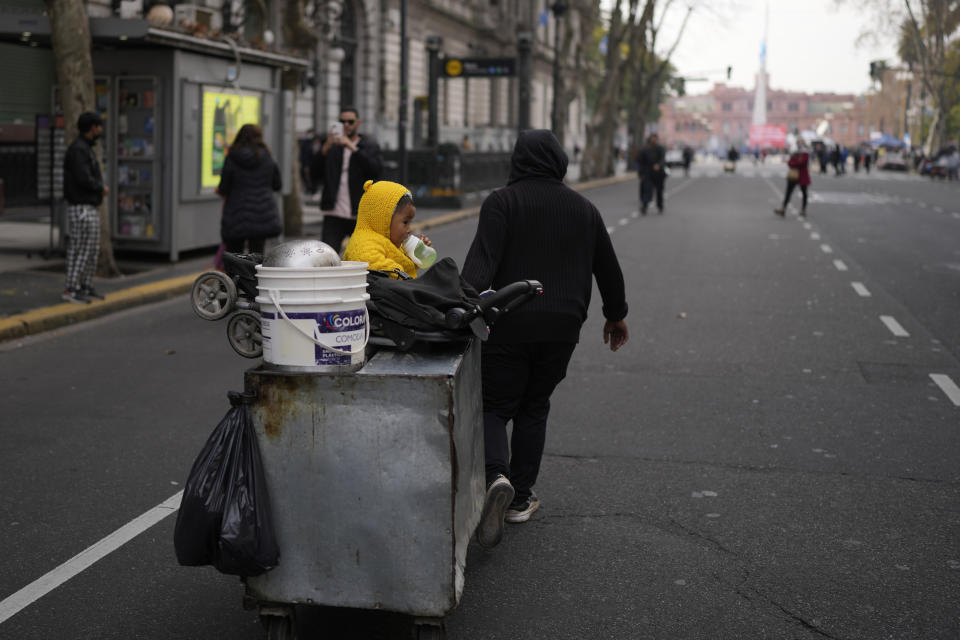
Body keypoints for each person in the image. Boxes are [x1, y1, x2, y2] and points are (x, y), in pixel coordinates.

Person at [462, 129, 629, 549]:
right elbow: (608, 268)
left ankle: (495, 476)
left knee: (496, 404)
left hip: (509, 320)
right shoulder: (584, 209)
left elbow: (480, 268)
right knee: (535, 405)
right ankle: (520, 498)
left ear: (517, 160)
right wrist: (616, 316)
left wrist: (461, 307)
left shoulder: (502, 202)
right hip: (562, 325)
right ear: (559, 161)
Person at [316, 107, 383, 254]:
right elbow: (315, 174)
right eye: (342, 121)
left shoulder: (368, 146)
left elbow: (375, 170)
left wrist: (352, 148)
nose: (346, 125)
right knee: (328, 256)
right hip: (334, 212)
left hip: (358, 213)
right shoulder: (332, 147)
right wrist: (325, 148)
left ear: (358, 123)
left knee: (360, 256)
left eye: (350, 122)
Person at [62, 111, 108, 304]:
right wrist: (100, 187)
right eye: (98, 126)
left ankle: (85, 285)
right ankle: (72, 288)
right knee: (80, 248)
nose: (100, 129)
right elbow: (82, 177)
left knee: (91, 248)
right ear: (92, 128)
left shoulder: (85, 148)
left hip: (88, 206)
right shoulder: (79, 150)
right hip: (81, 206)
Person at [343, 180, 432, 279]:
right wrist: (403, 275)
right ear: (382, 219)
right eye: (405, 222)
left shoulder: (389, 241)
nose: (409, 229)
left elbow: (404, 265)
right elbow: (380, 268)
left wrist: (415, 255)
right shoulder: (363, 245)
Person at [216, 123, 282, 254]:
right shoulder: (267, 157)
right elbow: (277, 184)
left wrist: (220, 190)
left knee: (235, 255)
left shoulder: (232, 156)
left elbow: (224, 187)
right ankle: (253, 274)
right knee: (257, 254)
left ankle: (236, 275)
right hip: (262, 212)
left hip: (237, 212)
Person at [774, 142, 811, 217]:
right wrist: (795, 161)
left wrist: (795, 161)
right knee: (788, 193)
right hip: (793, 175)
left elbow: (801, 163)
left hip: (802, 176)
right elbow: (790, 163)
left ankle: (803, 210)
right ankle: (783, 208)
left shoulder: (805, 154)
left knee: (804, 194)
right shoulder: (795, 154)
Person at [636, 133, 667, 214]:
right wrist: (641, 173)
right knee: (647, 190)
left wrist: (659, 165)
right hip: (648, 173)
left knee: (659, 191)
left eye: (655, 138)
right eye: (652, 138)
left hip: (658, 174)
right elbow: (640, 161)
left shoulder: (661, 148)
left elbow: (663, 159)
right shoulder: (644, 149)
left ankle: (660, 206)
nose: (653, 140)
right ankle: (645, 206)